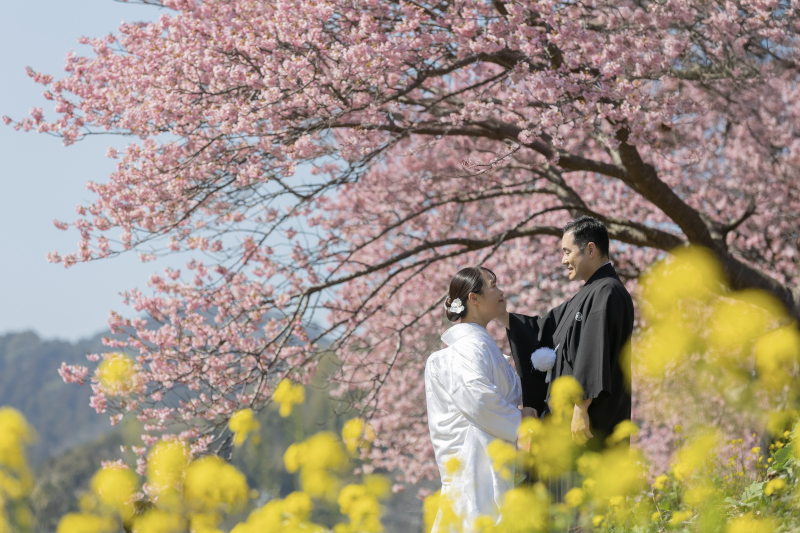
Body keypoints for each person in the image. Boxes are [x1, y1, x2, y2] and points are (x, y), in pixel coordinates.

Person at [498, 216, 634, 449]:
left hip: (589, 421)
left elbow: (594, 353)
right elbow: (544, 328)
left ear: (590, 249)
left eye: (567, 252)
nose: (563, 260)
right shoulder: (588, 293)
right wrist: (499, 314)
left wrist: (581, 409)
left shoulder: (606, 291)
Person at [425, 267, 535, 532]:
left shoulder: (478, 346)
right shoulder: (467, 349)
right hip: (475, 472)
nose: (501, 292)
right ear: (474, 299)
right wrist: (521, 418)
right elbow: (477, 400)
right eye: (493, 286)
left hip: (487, 468)